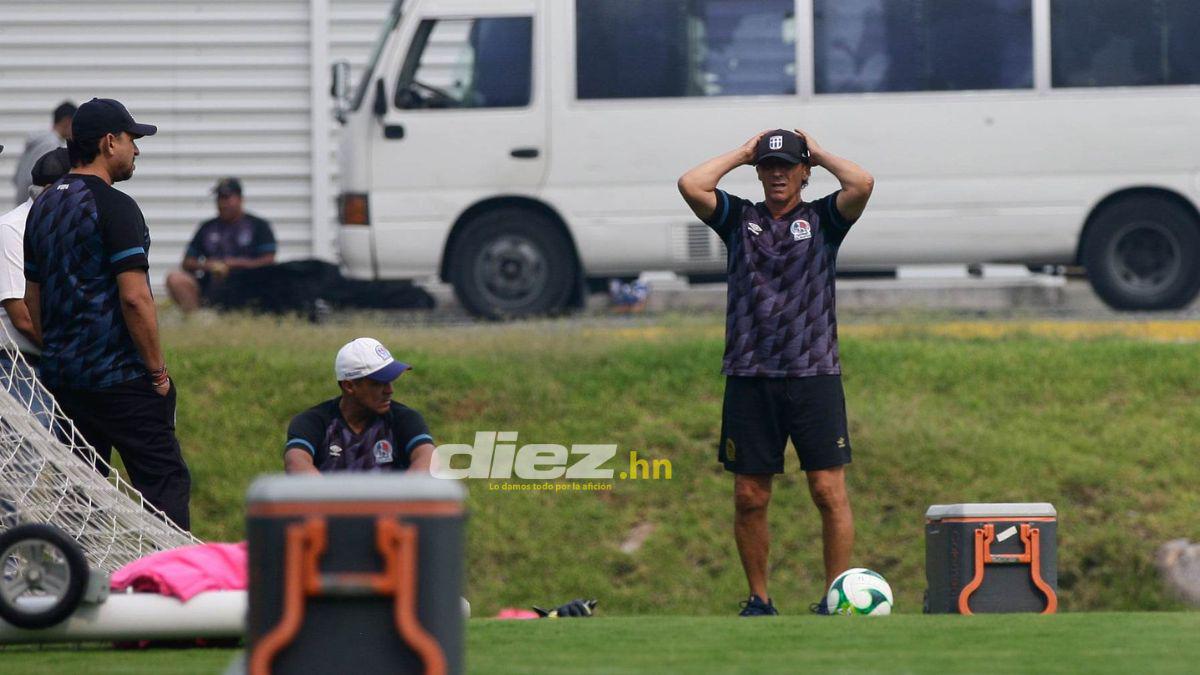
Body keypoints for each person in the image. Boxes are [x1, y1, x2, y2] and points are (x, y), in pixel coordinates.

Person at [677, 128, 874, 616]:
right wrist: (743, 152)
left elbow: (862, 184)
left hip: (814, 374)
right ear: (758, 173)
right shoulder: (739, 220)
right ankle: (760, 599)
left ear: (804, 172)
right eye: (768, 166)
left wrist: (820, 152)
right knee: (749, 495)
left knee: (828, 491)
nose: (777, 173)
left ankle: (836, 600)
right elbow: (690, 184)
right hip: (750, 374)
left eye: (787, 165)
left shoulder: (824, 219)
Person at [23, 97, 191, 530]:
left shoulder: (43, 207)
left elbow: (33, 298)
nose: (137, 150)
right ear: (109, 142)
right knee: (163, 483)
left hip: (65, 379)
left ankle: (84, 579)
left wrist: (59, 353)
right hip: (120, 377)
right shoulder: (116, 206)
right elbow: (135, 298)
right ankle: (169, 581)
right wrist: (157, 373)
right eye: (133, 140)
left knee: (80, 492)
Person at [284, 337, 435, 474]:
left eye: (390, 381)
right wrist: (337, 503)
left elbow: (428, 459)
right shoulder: (313, 422)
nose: (390, 390)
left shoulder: (404, 419)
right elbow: (296, 464)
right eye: (378, 383)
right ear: (349, 386)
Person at [0, 148, 71, 424]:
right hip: (19, 366)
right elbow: (22, 316)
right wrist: (67, 357)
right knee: (27, 461)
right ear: (54, 189)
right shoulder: (12, 228)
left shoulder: (61, 229)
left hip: (52, 363)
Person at [165, 177, 277, 313]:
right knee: (175, 278)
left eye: (227, 198)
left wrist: (236, 264)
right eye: (219, 198)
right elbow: (187, 262)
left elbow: (269, 261)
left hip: (248, 285)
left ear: (240, 199)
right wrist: (208, 265)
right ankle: (197, 320)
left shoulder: (258, 226)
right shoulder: (207, 227)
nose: (222, 203)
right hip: (211, 285)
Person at [11, 101, 75, 206]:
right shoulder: (51, 145)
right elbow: (42, 180)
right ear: (66, 121)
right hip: (35, 206)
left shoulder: (37, 141)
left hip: (23, 203)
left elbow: (16, 177)